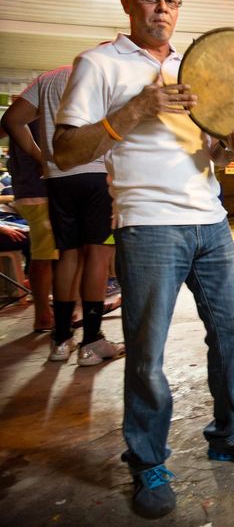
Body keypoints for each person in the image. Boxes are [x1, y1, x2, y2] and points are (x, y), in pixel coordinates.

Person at [52, 0, 234, 519]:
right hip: (147, 224)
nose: (162, 9)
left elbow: (207, 157)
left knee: (229, 336)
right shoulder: (98, 63)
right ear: (128, 2)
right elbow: (64, 151)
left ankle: (229, 433)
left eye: (172, 1)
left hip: (210, 220)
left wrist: (229, 148)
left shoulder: (193, 66)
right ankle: (148, 458)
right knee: (148, 354)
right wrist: (137, 108)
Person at [2, 66, 122, 361]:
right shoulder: (107, 73)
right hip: (97, 174)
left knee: (67, 254)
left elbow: (12, 120)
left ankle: (61, 339)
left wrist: (40, 156)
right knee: (97, 254)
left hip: (58, 177)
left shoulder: (49, 78)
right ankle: (91, 341)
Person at [0, 117, 56, 331]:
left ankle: (49, 311)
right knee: (47, 254)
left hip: (34, 187)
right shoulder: (39, 96)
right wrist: (39, 157)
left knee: (48, 253)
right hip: (39, 188)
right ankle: (45, 315)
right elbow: (9, 123)